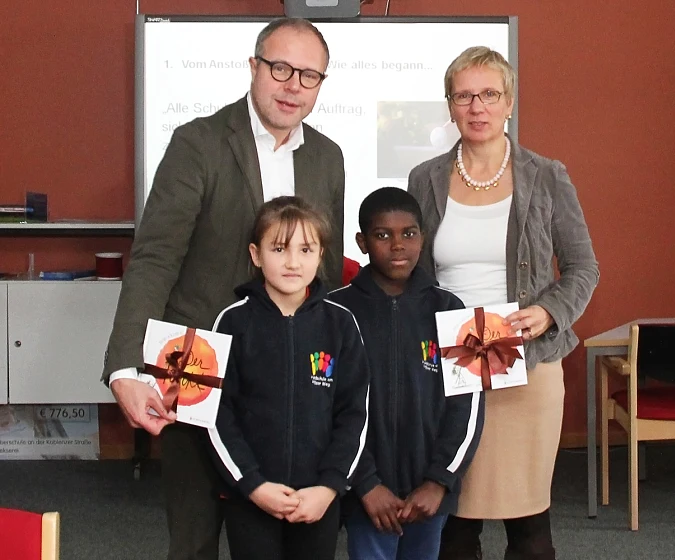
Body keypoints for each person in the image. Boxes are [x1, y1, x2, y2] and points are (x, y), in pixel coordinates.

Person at [101, 17, 345, 560]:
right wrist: (124, 366)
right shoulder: (199, 143)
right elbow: (156, 258)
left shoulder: (328, 157)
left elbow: (323, 275)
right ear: (254, 68)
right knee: (195, 537)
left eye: (309, 75)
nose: (292, 85)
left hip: (289, 383)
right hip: (198, 371)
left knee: (286, 536)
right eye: (280, 68)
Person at [406, 47, 599, 560]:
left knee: (529, 522)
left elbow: (584, 268)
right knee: (454, 522)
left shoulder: (546, 175)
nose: (477, 106)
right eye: (464, 95)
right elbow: (413, 273)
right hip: (449, 370)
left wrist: (549, 312)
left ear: (509, 101)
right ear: (449, 106)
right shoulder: (424, 178)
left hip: (528, 367)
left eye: (489, 94)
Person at [208, 196, 369, 560]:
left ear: (321, 254)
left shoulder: (340, 324)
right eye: (279, 248)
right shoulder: (232, 322)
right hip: (251, 496)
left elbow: (354, 415)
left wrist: (329, 487)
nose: (293, 262)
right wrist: (252, 484)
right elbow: (217, 417)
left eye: (306, 249)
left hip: (317, 499)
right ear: (255, 254)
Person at [328, 187, 485, 560]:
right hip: (365, 493)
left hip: (428, 493)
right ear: (362, 242)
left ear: (423, 237)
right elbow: (328, 407)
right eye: (383, 235)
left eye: (409, 233)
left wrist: (438, 482)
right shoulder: (335, 312)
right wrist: (365, 484)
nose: (398, 245)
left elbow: (469, 406)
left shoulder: (452, 310)